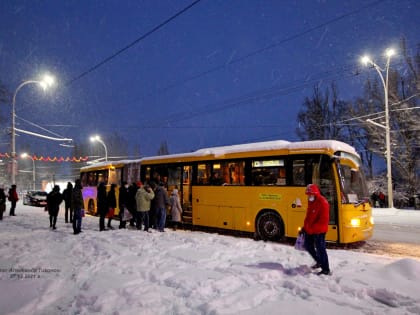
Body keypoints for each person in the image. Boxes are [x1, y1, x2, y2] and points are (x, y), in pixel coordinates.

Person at [302, 183, 331, 276]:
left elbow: (323, 220)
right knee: (308, 245)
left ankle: (326, 269)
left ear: (315, 193)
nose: (309, 196)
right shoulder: (311, 201)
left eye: (311, 194)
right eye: (308, 195)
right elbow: (309, 216)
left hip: (319, 231)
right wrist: (304, 227)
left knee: (321, 249)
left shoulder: (323, 202)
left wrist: (311, 229)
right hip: (310, 229)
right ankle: (319, 261)